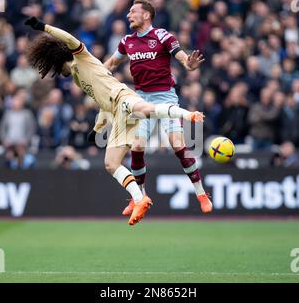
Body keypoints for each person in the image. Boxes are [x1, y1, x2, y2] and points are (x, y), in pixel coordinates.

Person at [24, 16, 204, 226]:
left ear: (55, 60)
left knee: (146, 109)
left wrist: (43, 27)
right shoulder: (76, 76)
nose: (56, 73)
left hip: (122, 98)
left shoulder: (82, 57)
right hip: (116, 112)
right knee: (111, 163)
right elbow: (101, 102)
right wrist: (97, 128)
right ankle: (140, 198)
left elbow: (68, 37)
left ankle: (187, 114)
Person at [101, 0, 212, 216]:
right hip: (141, 98)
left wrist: (188, 63)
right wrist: (93, 75)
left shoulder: (162, 36)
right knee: (137, 146)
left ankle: (201, 193)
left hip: (165, 97)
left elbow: (182, 58)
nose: (128, 15)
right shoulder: (127, 41)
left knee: (177, 144)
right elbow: (112, 64)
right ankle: (138, 198)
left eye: (133, 12)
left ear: (146, 15)